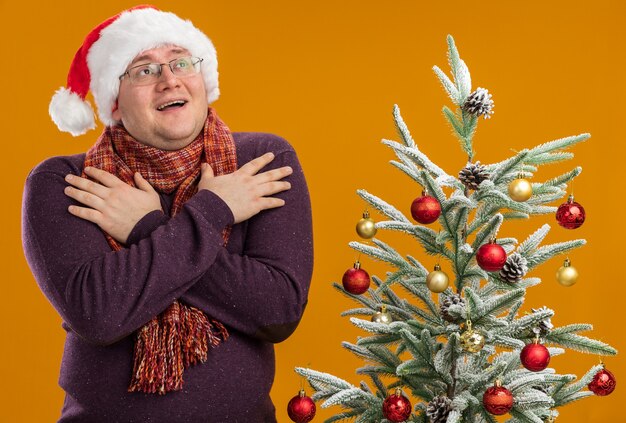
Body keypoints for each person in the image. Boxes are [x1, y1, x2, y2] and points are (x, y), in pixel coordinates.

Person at [21, 6, 313, 422]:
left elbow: (278, 310)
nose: (169, 79)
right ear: (115, 103)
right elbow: (98, 315)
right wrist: (214, 212)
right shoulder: (68, 181)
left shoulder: (260, 161)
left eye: (180, 62)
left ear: (202, 79)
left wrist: (146, 228)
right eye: (143, 70)